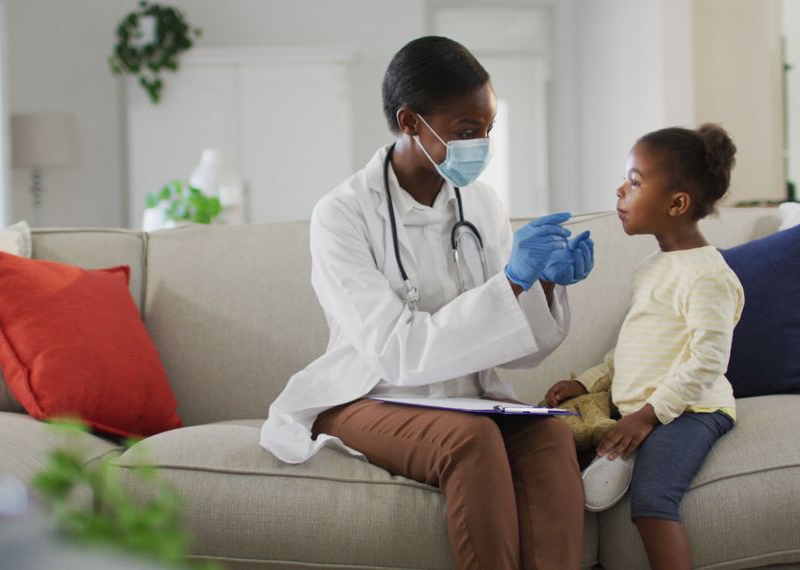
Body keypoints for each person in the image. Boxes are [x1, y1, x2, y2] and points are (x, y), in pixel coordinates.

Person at [260, 36, 594, 569]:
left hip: (466, 396)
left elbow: (511, 348)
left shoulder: (480, 203)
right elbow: (396, 352)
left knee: (550, 434)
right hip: (369, 394)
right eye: (466, 132)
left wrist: (546, 284)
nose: (481, 144)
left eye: (487, 130)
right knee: (472, 440)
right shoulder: (341, 215)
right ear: (411, 121)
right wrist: (510, 283)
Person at [543, 124, 743, 570]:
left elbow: (708, 361)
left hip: (692, 411)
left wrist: (648, 416)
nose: (620, 190)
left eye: (634, 182)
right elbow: (631, 349)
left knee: (653, 499)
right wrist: (586, 382)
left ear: (677, 204)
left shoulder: (707, 276)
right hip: (640, 406)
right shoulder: (653, 267)